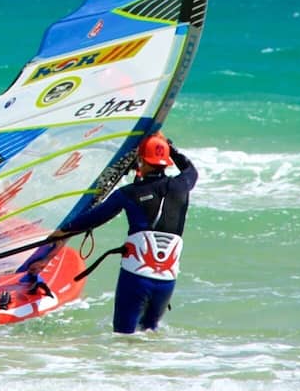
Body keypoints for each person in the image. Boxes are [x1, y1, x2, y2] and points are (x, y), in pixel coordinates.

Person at [31, 132, 197, 334]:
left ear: (141, 161)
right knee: (149, 332)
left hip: (136, 278)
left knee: (123, 335)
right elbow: (191, 170)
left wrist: (62, 231)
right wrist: (170, 147)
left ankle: (123, 365)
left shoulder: (128, 194)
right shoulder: (183, 185)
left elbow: (97, 217)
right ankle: (150, 365)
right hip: (166, 281)